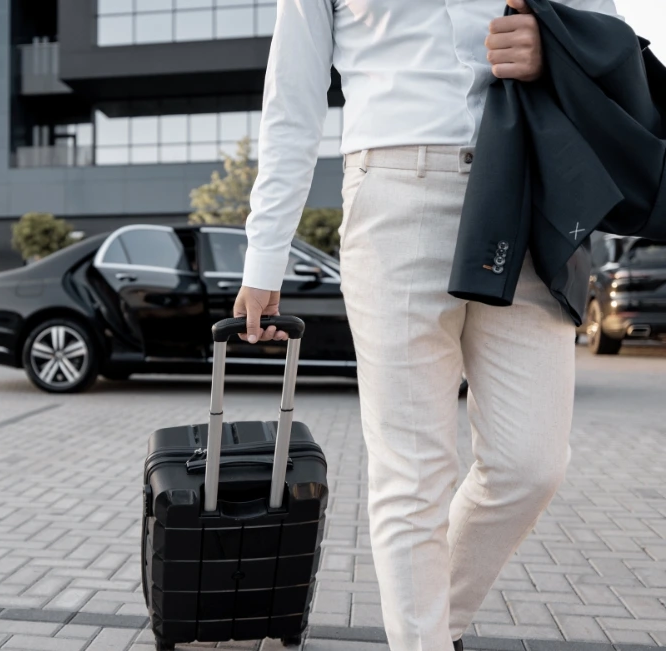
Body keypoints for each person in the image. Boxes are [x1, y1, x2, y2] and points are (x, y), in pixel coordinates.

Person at [234, 1, 619, 650]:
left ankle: (434, 625)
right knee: (412, 476)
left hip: (526, 184)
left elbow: (605, 33)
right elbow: (292, 99)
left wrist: (553, 49)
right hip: (393, 192)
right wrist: (265, 253)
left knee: (531, 464)